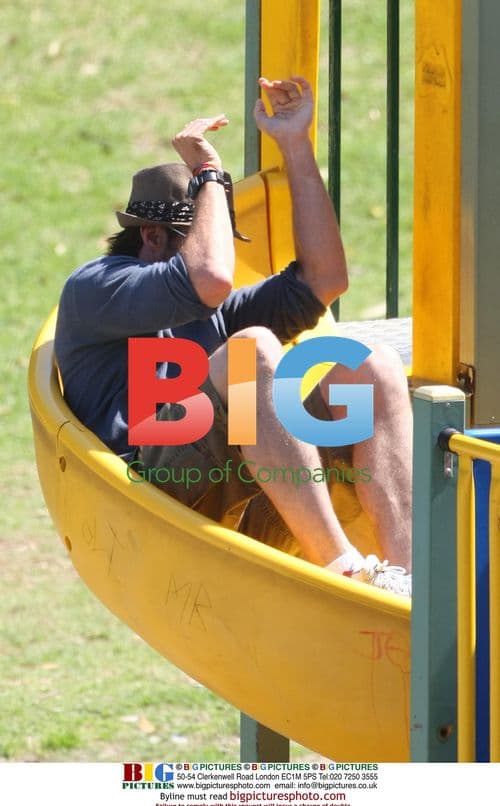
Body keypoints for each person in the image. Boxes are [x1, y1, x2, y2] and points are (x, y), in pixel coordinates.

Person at [55, 76, 412, 596]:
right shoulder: (96, 289)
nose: (223, 255)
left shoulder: (214, 313)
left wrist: (294, 144)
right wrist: (209, 174)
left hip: (249, 494)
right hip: (152, 504)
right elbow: (211, 278)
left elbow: (326, 280)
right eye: (206, 235)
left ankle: (410, 581)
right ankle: (346, 568)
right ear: (152, 236)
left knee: (369, 366)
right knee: (253, 351)